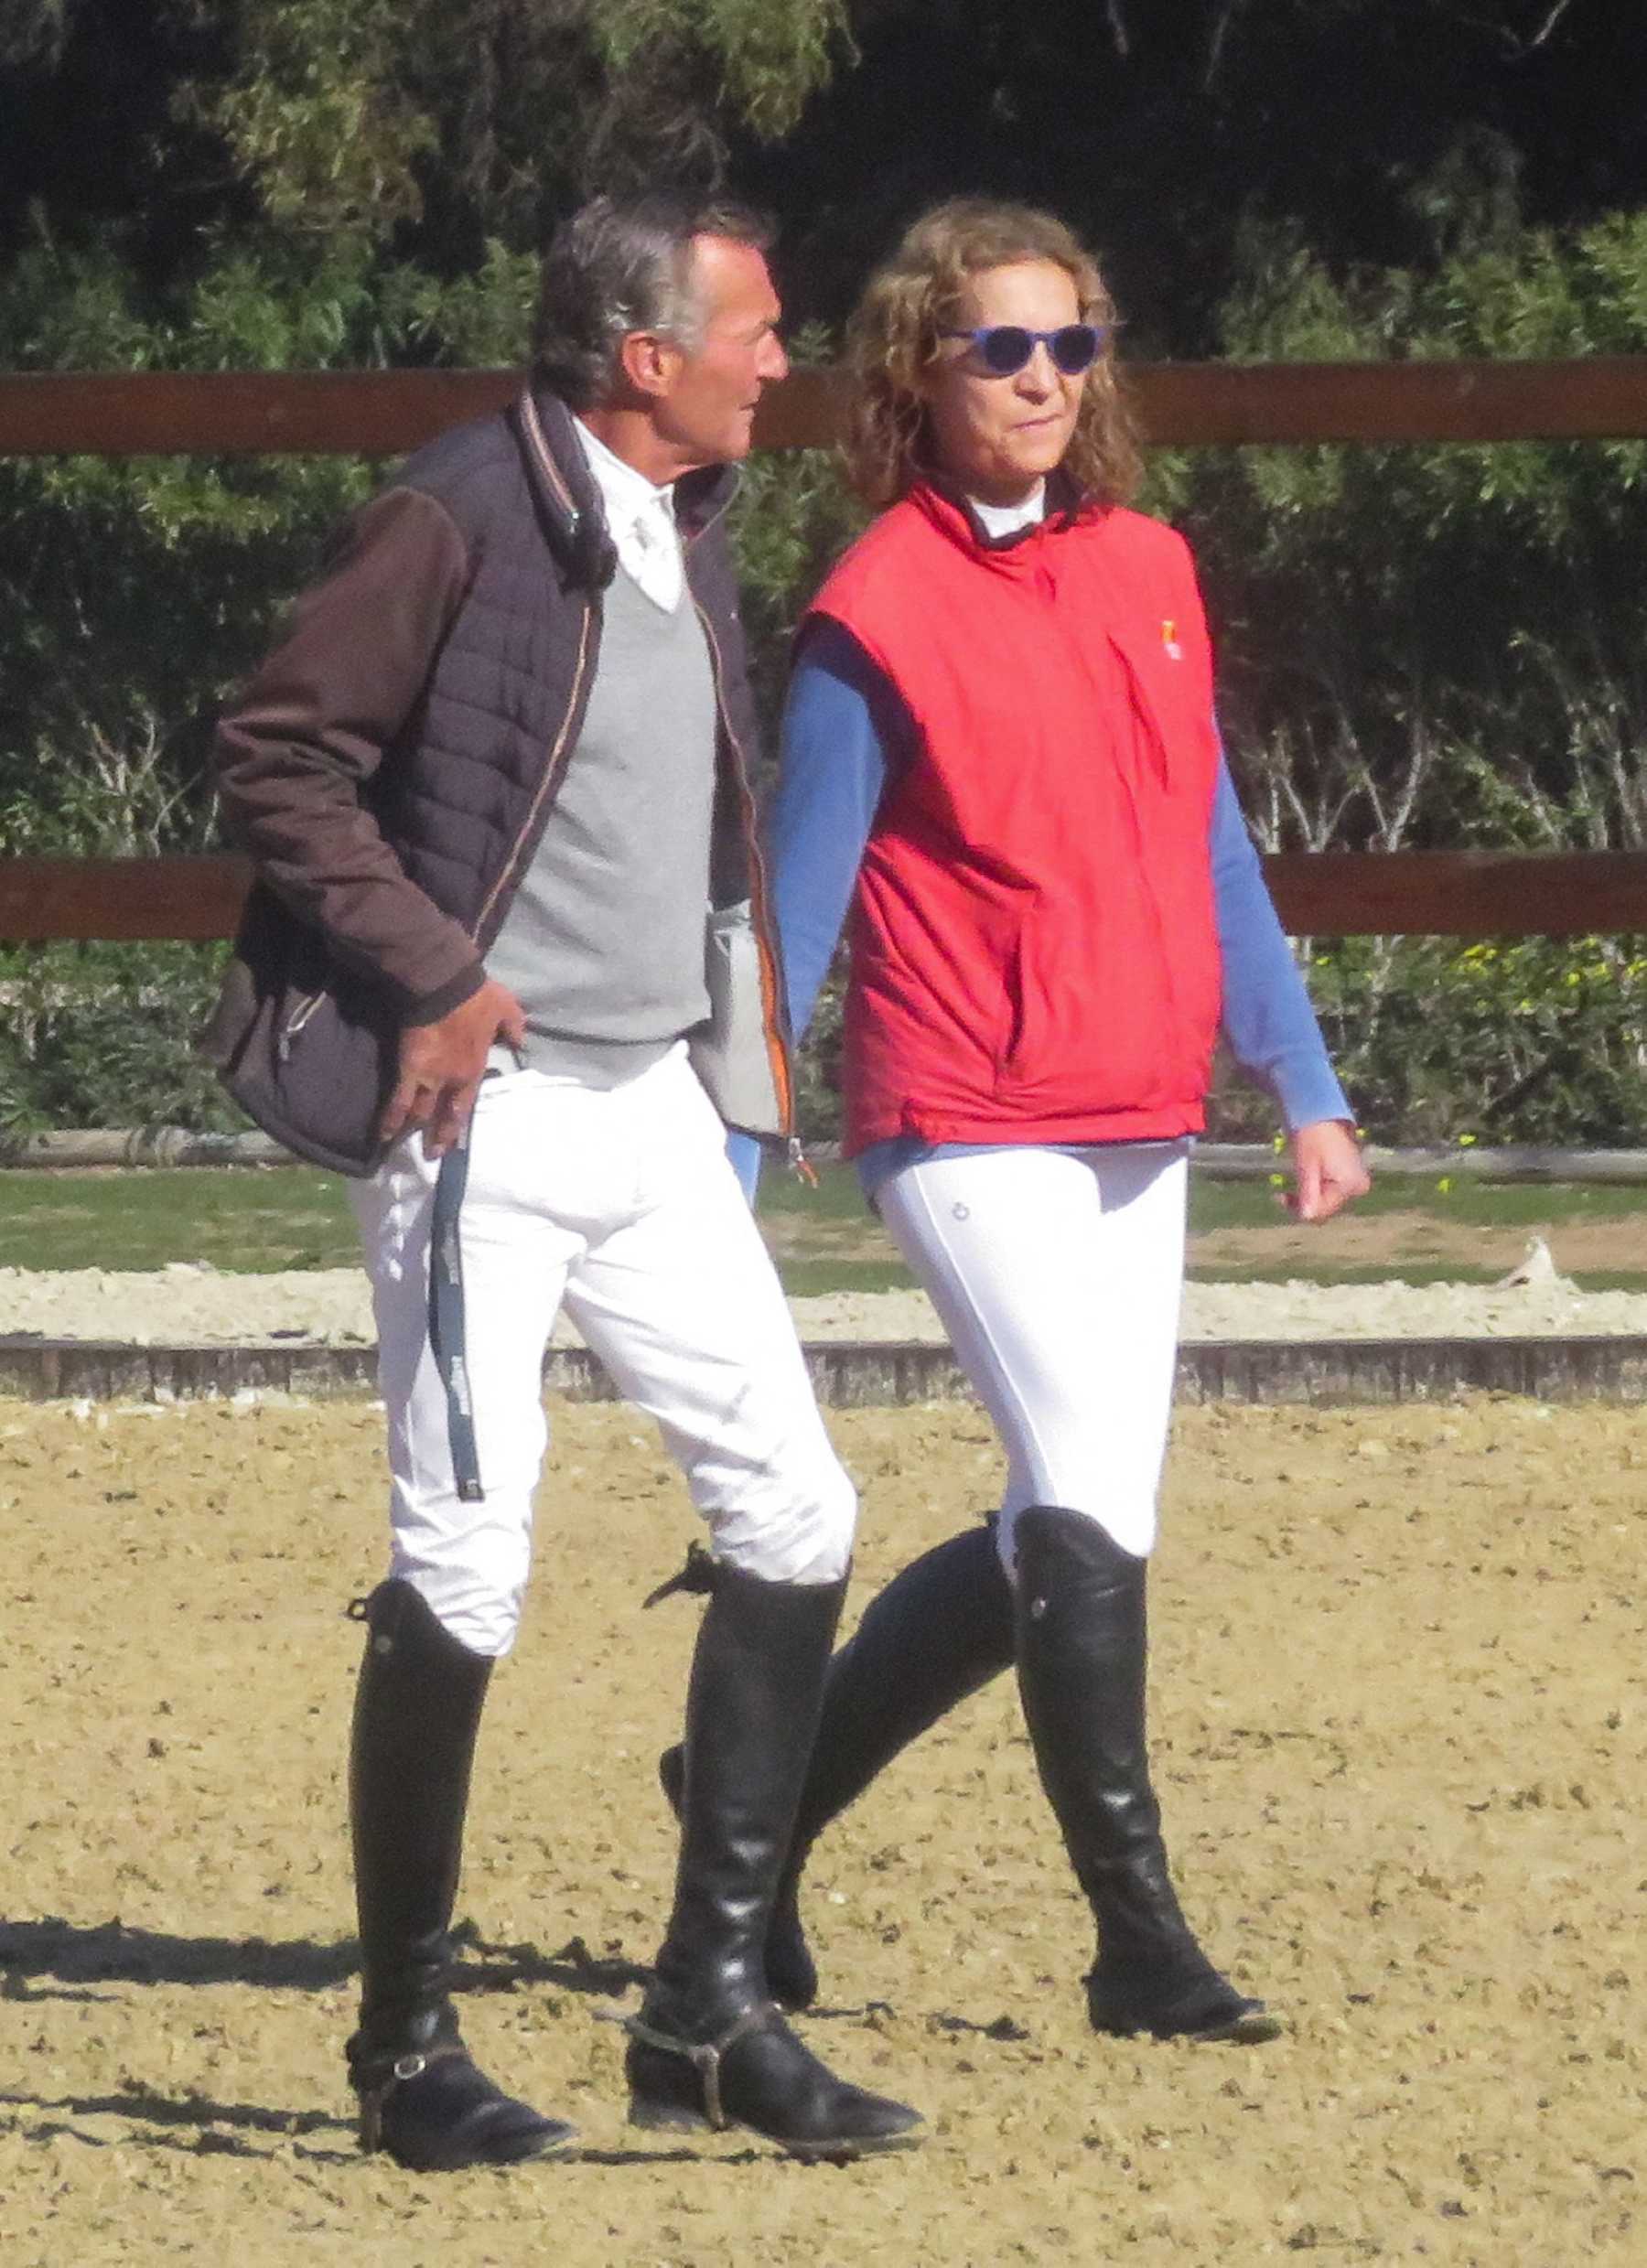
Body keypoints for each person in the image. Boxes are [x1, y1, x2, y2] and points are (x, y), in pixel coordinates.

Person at [204, 191, 922, 2170]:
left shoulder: (688, 521)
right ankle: (403, 2052)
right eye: (755, 329)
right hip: (485, 1121)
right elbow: (277, 756)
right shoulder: (454, 511)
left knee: (797, 1511)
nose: (783, 359)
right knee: (465, 1563)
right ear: (646, 357)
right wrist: (435, 972)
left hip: (651, 1108)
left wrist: (733, 1034)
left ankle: (703, 2014)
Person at [662, 198, 1370, 2046]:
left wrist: (1301, 1079)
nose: (1046, 377)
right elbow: (797, 905)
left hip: (1140, 1105)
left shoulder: (1152, 566)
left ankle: (749, 1801)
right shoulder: (871, 614)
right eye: (1005, 346)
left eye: (1073, 343)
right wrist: (726, 1163)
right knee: (1081, 1518)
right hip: (966, 1110)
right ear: (923, 369)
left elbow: (1214, 844)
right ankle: (1141, 1940)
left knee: (1073, 1521)